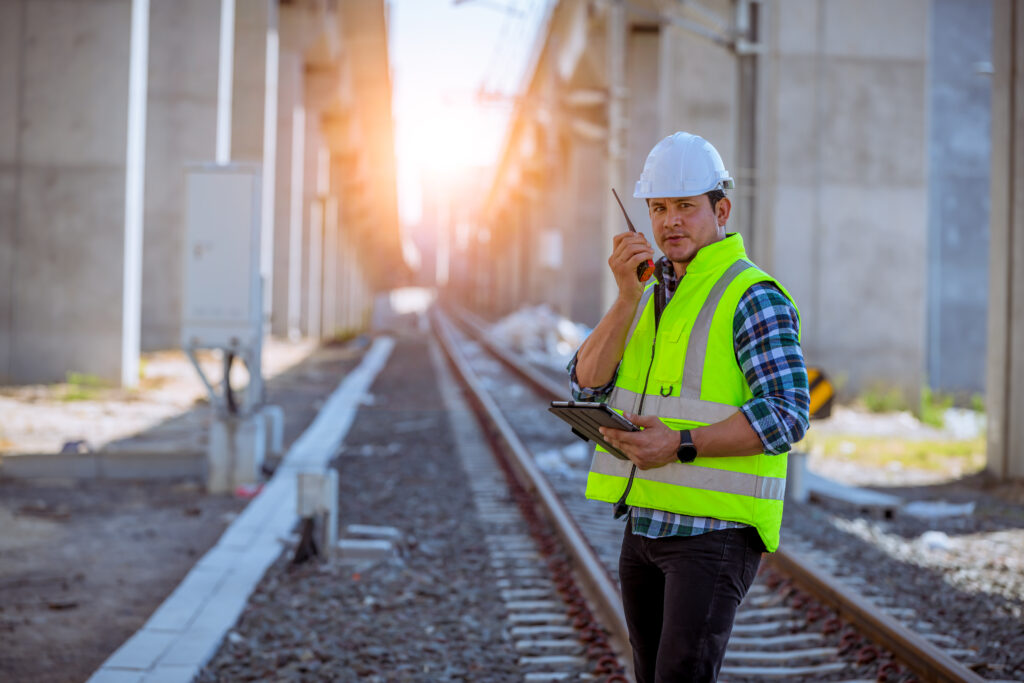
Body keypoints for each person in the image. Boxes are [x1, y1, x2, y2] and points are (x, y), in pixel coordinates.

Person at [568, 131, 810, 682]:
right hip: (646, 525)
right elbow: (586, 385)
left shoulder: (751, 294)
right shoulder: (648, 295)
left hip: (714, 533)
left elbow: (788, 412)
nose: (670, 221)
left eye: (685, 207)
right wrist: (626, 297)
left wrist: (678, 443)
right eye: (658, 208)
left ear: (720, 210)